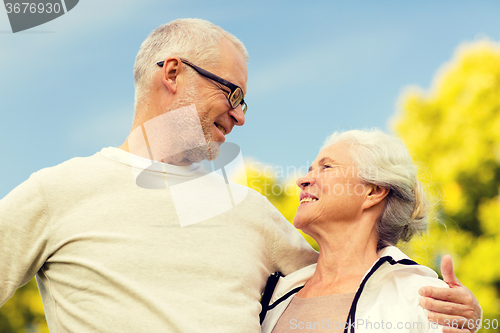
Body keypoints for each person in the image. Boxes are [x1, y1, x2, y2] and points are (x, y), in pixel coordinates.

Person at [0, 19, 480, 332]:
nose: (241, 117)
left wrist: (466, 317)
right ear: (172, 74)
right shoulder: (56, 193)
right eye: (233, 94)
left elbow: (355, 278)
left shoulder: (250, 211)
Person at [260, 129, 481, 333]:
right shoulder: (275, 292)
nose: (302, 180)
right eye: (310, 170)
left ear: (373, 192)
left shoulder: (425, 299)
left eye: (326, 167)